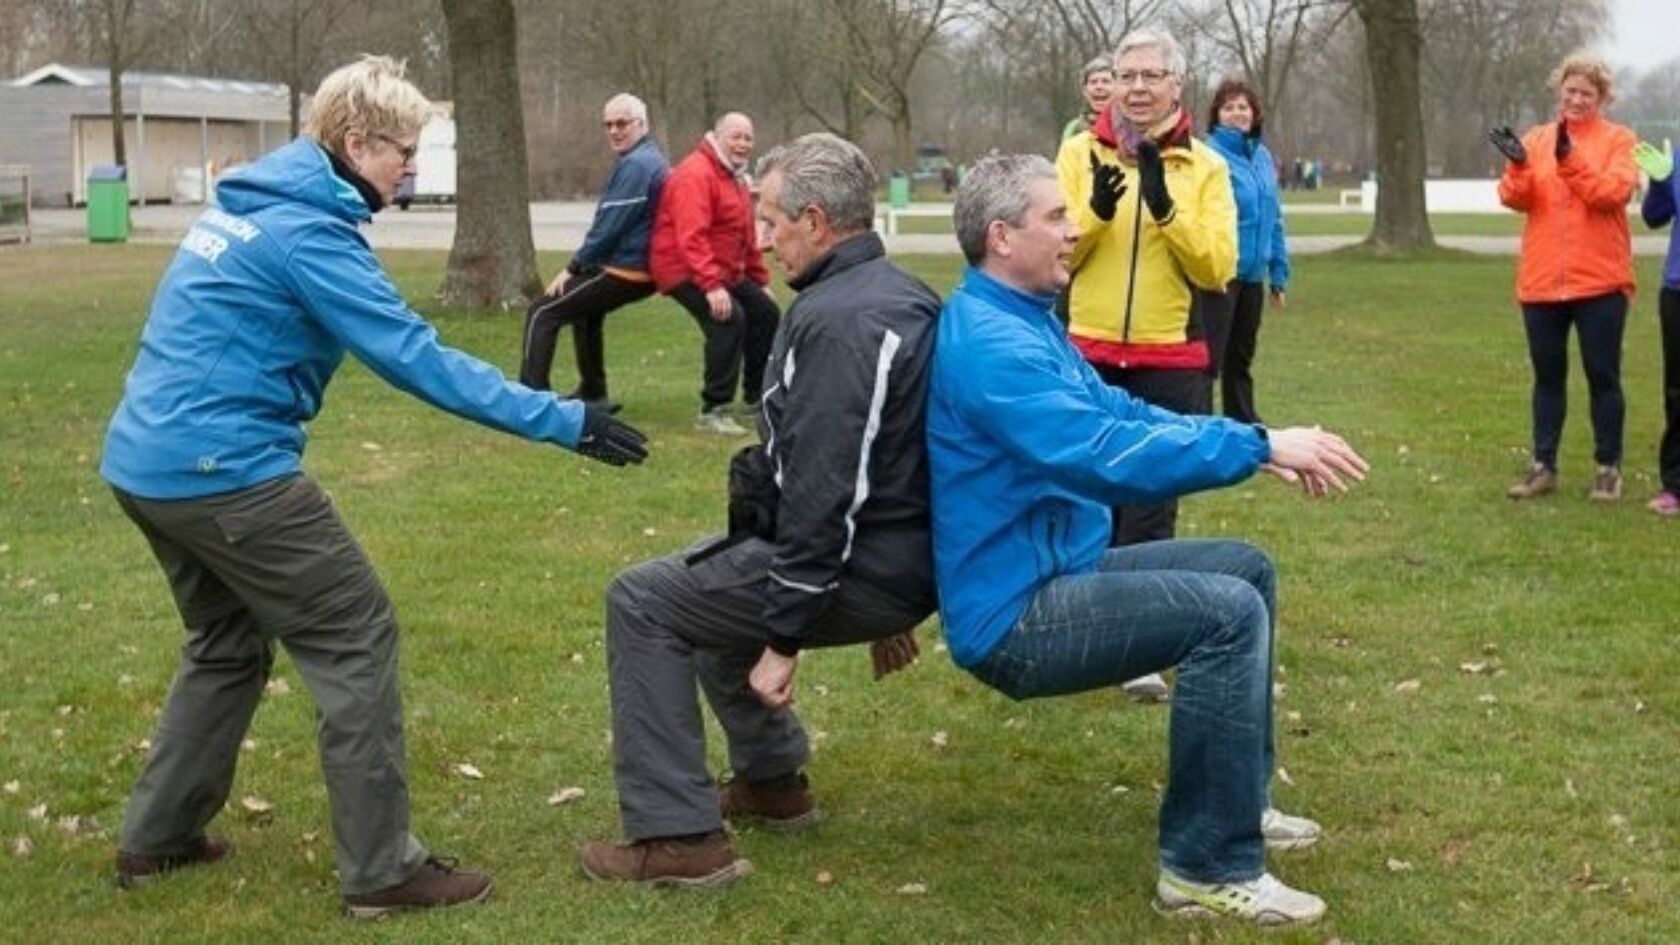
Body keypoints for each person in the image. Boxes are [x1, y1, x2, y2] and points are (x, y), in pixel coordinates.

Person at [99, 56, 648, 918]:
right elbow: (414, 358)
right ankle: (383, 870)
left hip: (147, 466)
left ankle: (157, 835)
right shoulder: (305, 233)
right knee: (354, 630)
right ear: (355, 143)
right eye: (402, 151)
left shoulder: (255, 204)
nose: (411, 169)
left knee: (227, 640)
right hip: (224, 472)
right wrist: (564, 419)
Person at [928, 153, 1368, 928]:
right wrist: (1259, 448)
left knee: (1246, 569)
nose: (1074, 231)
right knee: (1225, 613)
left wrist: (1252, 439)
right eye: (1056, 218)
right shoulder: (994, 347)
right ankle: (1205, 865)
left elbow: (1126, 415)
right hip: (1015, 616)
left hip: (1059, 569)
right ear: (1002, 236)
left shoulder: (1025, 321)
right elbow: (1102, 452)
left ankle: (1239, 800)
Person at [580, 132, 940, 887]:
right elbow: (896, 464)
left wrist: (788, 629)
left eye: (772, 222)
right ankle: (773, 783)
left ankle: (678, 837)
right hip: (884, 559)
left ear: (816, 220)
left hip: (863, 563)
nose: (763, 240)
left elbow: (829, 483)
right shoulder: (895, 293)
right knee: (702, 588)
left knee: (643, 601)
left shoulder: (844, 319)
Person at [1055, 29, 1237, 547]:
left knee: (1150, 518)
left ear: (1176, 86)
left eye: (1150, 76)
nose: (1136, 88)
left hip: (1168, 362)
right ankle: (1086, 622)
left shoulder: (1207, 166)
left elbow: (1217, 269)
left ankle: (1146, 622)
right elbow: (1054, 257)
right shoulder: (1076, 155)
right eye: (1125, 76)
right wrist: (1096, 214)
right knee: (1086, 508)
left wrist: (1166, 211)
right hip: (1088, 354)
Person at [1490, 54, 1638, 502]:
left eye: (1586, 94)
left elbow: (1611, 194)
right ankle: (1543, 465)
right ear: (1560, 91)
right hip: (1542, 281)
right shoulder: (1537, 139)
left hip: (1600, 282)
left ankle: (1608, 467)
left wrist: (1570, 160)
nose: (1576, 100)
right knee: (1547, 376)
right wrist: (1518, 165)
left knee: (1602, 375)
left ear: (1602, 98)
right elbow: (1514, 199)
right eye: (1570, 91)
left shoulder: (1619, 140)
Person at [520, 93, 668, 413]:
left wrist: (573, 268)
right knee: (585, 313)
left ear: (641, 124)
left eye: (622, 123)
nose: (614, 131)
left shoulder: (638, 165)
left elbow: (608, 228)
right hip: (635, 267)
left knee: (543, 312)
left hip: (628, 270)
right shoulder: (648, 158)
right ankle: (593, 393)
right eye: (609, 125)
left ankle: (530, 402)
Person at [649, 111, 782, 436]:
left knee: (765, 312)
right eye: (736, 136)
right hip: (682, 267)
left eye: (748, 137)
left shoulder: (734, 177)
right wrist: (711, 286)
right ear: (718, 137)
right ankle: (713, 410)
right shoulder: (696, 173)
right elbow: (690, 237)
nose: (742, 143)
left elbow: (744, 236)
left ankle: (755, 398)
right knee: (727, 319)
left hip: (723, 270)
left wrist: (760, 282)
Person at [1201, 79, 1290, 424]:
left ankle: (1243, 421)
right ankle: (1200, 421)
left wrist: (1278, 273)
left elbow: (1274, 217)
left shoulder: (1263, 156)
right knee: (1210, 356)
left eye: (1243, 107)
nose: (1238, 113)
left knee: (1241, 355)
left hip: (1253, 275)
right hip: (1220, 275)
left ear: (1254, 113)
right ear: (1217, 115)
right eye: (1229, 107)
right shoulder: (1209, 156)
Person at [1635, 136, 1680, 516]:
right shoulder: (1676, 160)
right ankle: (1675, 486)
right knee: (1677, 392)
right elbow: (1654, 217)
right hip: (1677, 289)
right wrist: (1662, 182)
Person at [1061, 56, 1116, 142]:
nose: (1099, 87)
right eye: (1093, 82)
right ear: (1085, 91)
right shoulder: (1074, 128)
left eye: (1106, 81)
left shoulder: (1129, 126)